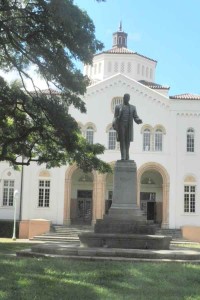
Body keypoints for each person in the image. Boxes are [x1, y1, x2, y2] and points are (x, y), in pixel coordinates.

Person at [112, 93, 142, 160]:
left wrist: (138, 120)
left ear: (129, 99)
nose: (127, 99)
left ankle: (127, 155)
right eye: (126, 98)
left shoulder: (133, 107)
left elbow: (135, 117)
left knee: (127, 141)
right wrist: (113, 122)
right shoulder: (118, 106)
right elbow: (115, 117)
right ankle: (123, 156)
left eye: (128, 98)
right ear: (123, 98)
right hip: (121, 126)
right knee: (122, 141)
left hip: (129, 126)